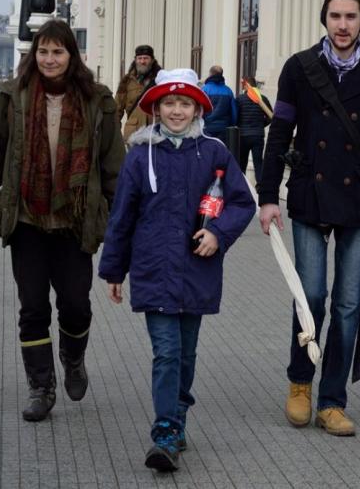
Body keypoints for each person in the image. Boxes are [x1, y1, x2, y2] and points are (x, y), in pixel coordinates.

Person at [257, 0, 360, 437]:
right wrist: (268, 196)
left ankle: (332, 400)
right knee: (311, 297)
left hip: (358, 199)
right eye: (335, 16)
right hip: (310, 195)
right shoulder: (299, 68)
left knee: (348, 305)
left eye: (351, 17)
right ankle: (300, 382)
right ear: (324, 20)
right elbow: (280, 134)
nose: (343, 25)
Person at [99, 68, 255, 472]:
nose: (176, 110)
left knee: (186, 354)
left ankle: (178, 416)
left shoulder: (215, 152)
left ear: (197, 108)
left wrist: (218, 234)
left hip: (197, 269)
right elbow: (122, 216)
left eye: (184, 103)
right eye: (168, 102)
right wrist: (114, 269)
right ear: (156, 108)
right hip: (153, 268)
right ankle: (165, 431)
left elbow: (242, 202)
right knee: (166, 353)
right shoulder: (139, 156)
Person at [0, 20, 124, 423]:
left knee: (75, 305)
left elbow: (114, 171)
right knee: (33, 307)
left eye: (58, 52)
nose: (49, 59)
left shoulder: (98, 100)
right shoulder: (12, 97)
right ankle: (41, 386)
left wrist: (122, 227)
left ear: (72, 56)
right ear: (33, 55)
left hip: (75, 222)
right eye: (43, 51)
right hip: (27, 219)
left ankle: (73, 357)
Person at [115, 44, 162, 141]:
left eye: (146, 58)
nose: (142, 61)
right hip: (133, 132)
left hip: (155, 131)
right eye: (139, 58)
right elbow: (117, 108)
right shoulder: (127, 81)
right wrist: (114, 132)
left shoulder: (161, 79)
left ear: (152, 60)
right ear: (135, 60)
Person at [236, 77, 272, 184]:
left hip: (243, 135)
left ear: (245, 85)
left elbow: (235, 116)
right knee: (258, 163)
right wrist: (261, 125)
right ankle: (261, 188)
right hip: (258, 135)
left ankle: (242, 186)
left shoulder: (240, 99)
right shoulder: (263, 99)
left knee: (242, 163)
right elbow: (271, 116)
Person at [200, 65, 238, 144]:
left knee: (207, 152)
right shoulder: (228, 90)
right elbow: (234, 111)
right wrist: (232, 124)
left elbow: (200, 109)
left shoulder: (204, 89)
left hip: (207, 127)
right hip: (223, 128)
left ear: (210, 74)